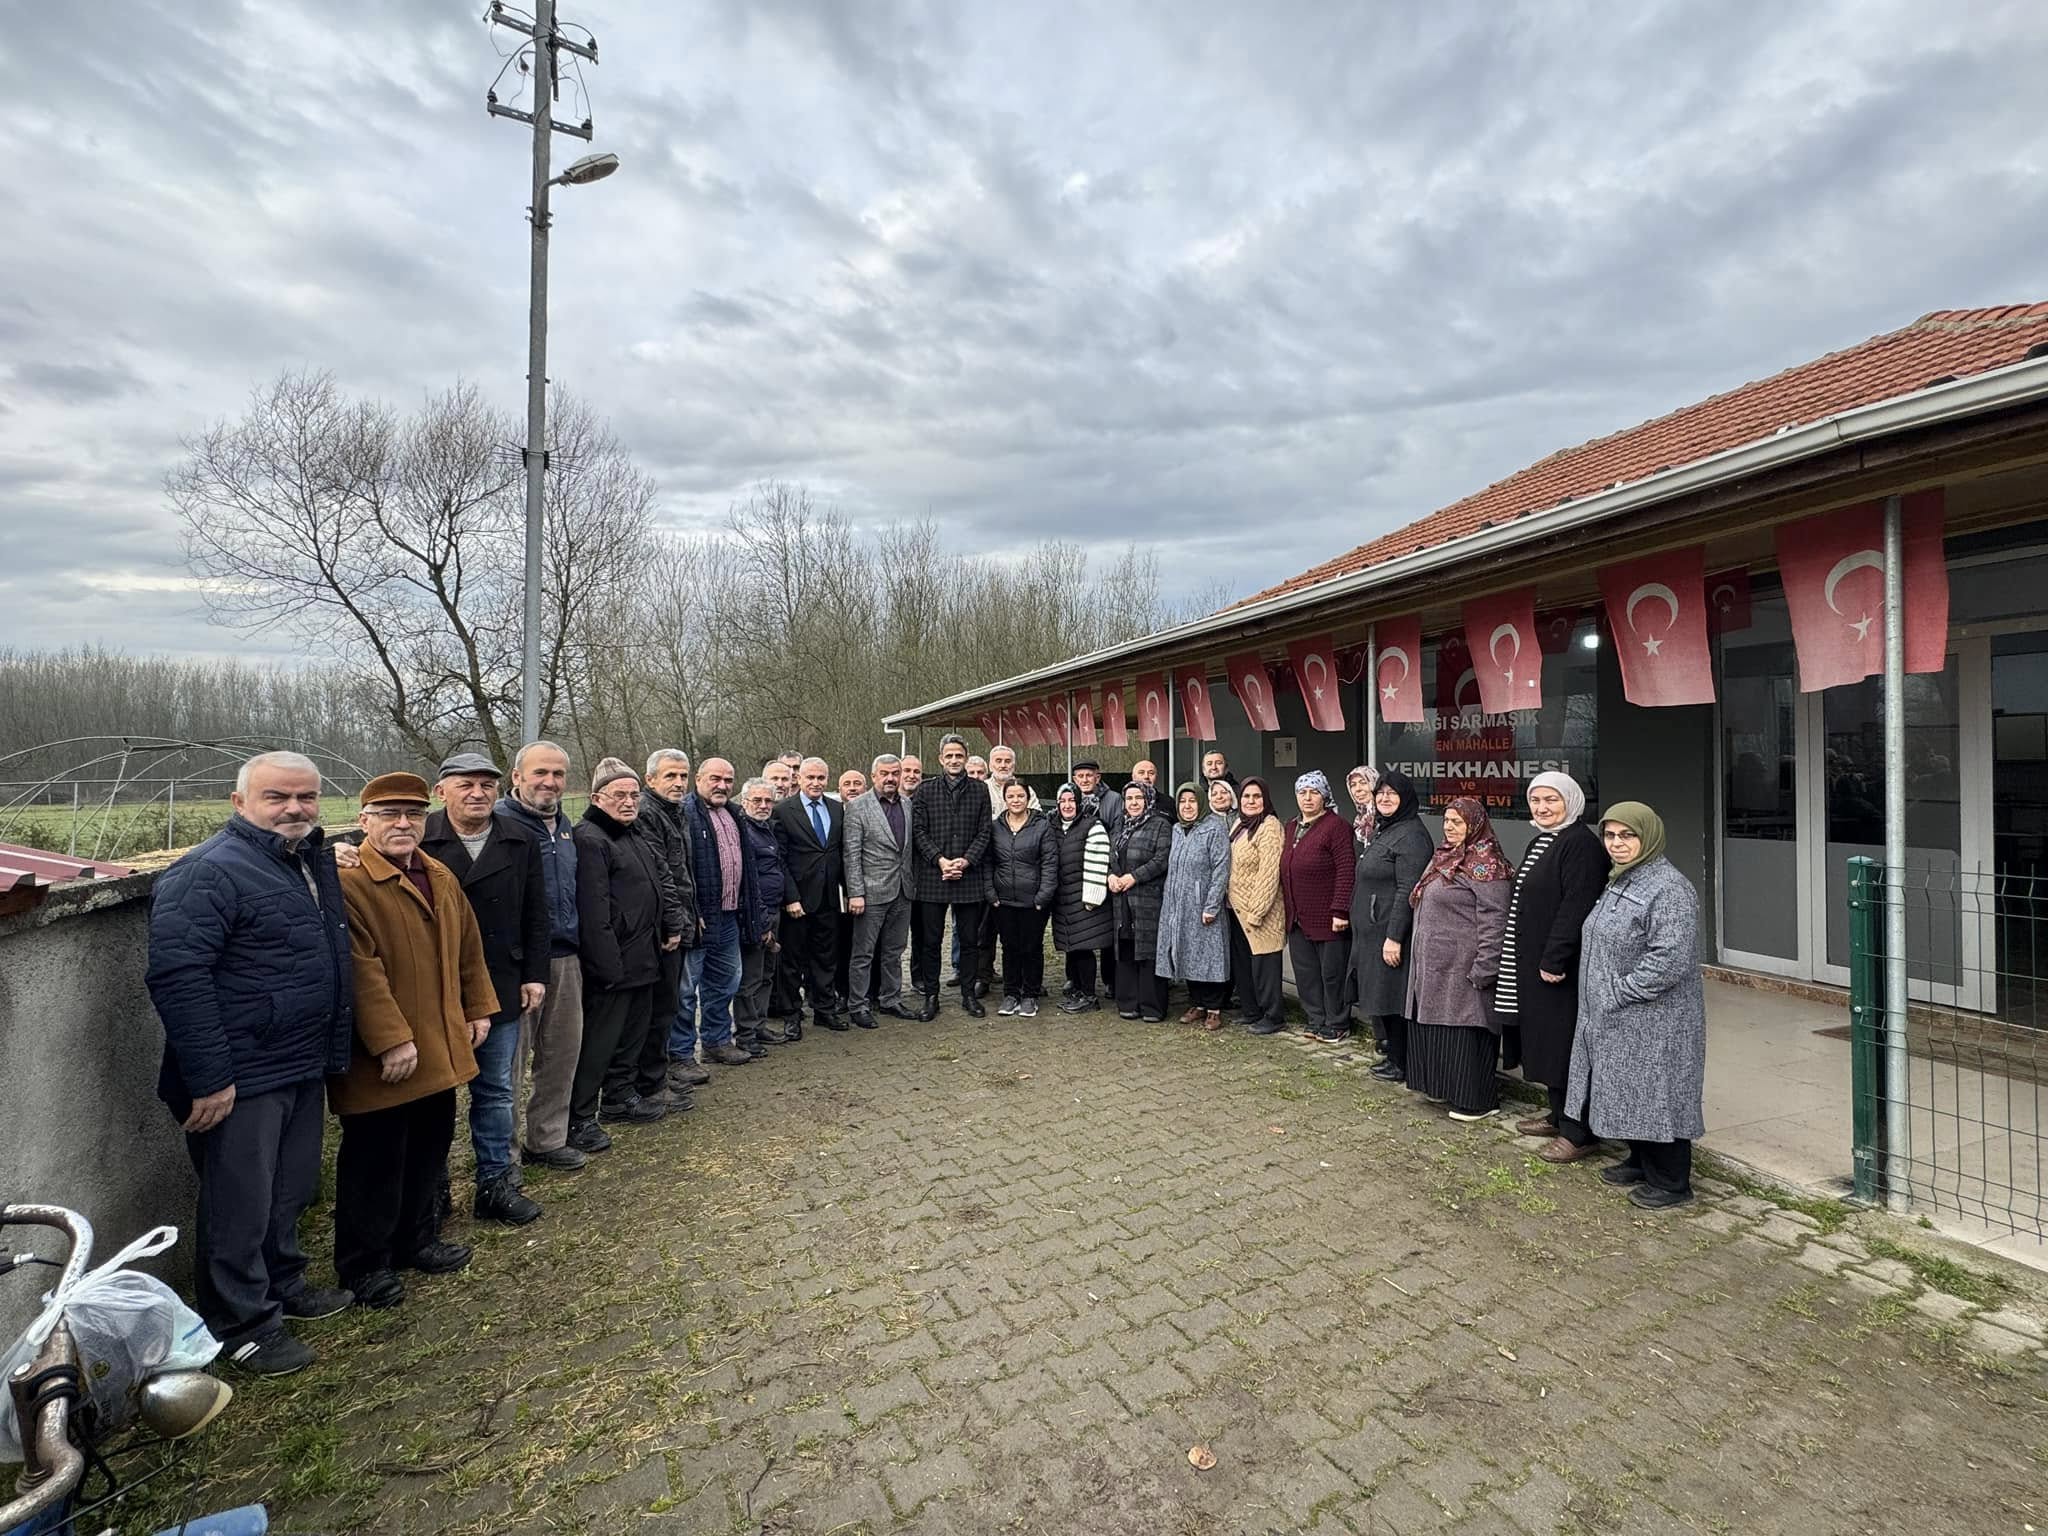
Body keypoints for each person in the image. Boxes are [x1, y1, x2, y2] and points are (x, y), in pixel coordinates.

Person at [145, 750, 354, 1376]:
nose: (294, 808)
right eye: (277, 798)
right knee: (238, 1202)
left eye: (306, 797)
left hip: (297, 1060)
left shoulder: (304, 863)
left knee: (286, 1190)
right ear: (240, 804)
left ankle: (283, 1286)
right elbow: (179, 976)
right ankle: (240, 1323)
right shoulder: (207, 872)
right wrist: (210, 1078)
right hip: (241, 1074)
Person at [332, 772, 497, 1310]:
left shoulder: (439, 874)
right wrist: (390, 1041)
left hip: (440, 1044)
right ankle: (365, 1264)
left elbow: (469, 948)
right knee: (376, 1158)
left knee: (429, 1147)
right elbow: (360, 970)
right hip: (389, 1055)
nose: (402, 824)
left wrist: (477, 1009)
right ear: (364, 823)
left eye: (411, 814)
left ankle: (416, 1239)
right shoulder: (349, 882)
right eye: (388, 815)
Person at [420, 752, 549, 1227]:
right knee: (431, 1096)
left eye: (486, 785)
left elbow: (537, 912)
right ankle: (429, 1193)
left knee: (496, 1091)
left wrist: (535, 973)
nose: (477, 793)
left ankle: (495, 1182)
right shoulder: (419, 836)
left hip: (499, 984)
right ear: (442, 791)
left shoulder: (519, 839)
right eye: (465, 785)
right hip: (433, 987)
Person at [1563, 803, 1707, 1209]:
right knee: (1628, 1091)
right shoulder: (1622, 879)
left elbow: (1670, 959)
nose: (1617, 844)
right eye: (1610, 836)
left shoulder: (1668, 888)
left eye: (1627, 836)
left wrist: (1620, 991)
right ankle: (1641, 1160)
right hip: (1617, 1014)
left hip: (1654, 1016)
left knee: (1659, 1092)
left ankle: (1672, 1181)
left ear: (1648, 837)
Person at [1494, 774, 1608, 1154]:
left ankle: (1580, 1133)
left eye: (1551, 800)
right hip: (1534, 962)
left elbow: (1576, 905)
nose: (1542, 808)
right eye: (1536, 800)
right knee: (1544, 1042)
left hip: (1559, 966)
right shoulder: (1543, 839)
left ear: (1571, 802)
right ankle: (1558, 1114)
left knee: (1563, 1047)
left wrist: (1555, 956)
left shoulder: (1579, 845)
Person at [569, 760, 680, 1148]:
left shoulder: (630, 834)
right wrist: (608, 966)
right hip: (614, 963)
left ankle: (620, 1096)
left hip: (644, 955)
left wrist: (669, 925)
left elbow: (656, 883)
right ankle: (581, 1116)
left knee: (633, 1034)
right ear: (598, 798)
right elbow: (594, 910)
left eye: (634, 795)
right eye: (620, 795)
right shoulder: (591, 837)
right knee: (600, 1041)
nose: (629, 802)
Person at [495, 742, 587, 1172]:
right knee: (510, 1064)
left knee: (561, 1052)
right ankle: (503, 1158)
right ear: (517, 777)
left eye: (557, 774)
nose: (549, 782)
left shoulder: (565, 827)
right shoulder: (497, 823)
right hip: (515, 962)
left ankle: (547, 1138)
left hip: (565, 955)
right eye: (539, 773)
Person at [1404, 797, 1513, 1121]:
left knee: (1465, 1029)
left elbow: (1496, 918)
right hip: (1435, 964)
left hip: (1464, 968)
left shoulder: (1488, 865)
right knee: (1440, 1030)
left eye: (1457, 822)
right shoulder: (1446, 857)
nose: (1450, 828)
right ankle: (1445, 1088)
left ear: (1475, 824)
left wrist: (1485, 966)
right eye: (1447, 821)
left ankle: (1476, 1100)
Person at [1348, 769, 1433, 1083]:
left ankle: (1402, 1061)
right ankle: (1393, 1056)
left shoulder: (1411, 835)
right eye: (1380, 793)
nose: (1384, 798)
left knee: (1393, 998)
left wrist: (1394, 936)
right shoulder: (1388, 828)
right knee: (1381, 995)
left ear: (1405, 798)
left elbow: (1407, 889)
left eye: (1391, 794)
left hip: (1390, 932)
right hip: (1373, 929)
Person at [678, 758, 757, 1067]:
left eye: (728, 780)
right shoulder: (686, 813)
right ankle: (681, 1055)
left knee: (725, 982)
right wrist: (690, 911)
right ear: (698, 779)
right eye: (715, 778)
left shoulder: (734, 814)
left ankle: (716, 1041)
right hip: (699, 918)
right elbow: (681, 869)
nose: (722, 785)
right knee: (686, 991)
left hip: (729, 916)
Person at [635, 749, 703, 1104]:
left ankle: (656, 1076)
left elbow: (683, 871)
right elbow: (661, 876)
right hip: (664, 930)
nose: (679, 783)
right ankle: (649, 1084)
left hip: (681, 919)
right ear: (650, 779)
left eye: (683, 776)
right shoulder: (647, 813)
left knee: (668, 1004)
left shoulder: (675, 812)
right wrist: (675, 924)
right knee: (659, 1008)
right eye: (670, 776)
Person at [911, 734, 994, 1019]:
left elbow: (985, 831)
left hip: (968, 876)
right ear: (940, 759)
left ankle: (968, 994)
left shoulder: (980, 790)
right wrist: (941, 860)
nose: (954, 760)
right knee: (930, 941)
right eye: (949, 756)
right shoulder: (925, 790)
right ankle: (931, 996)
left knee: (970, 940)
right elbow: (919, 832)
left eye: (959, 755)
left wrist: (967, 860)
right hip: (934, 876)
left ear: (966, 757)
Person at [1280, 771, 1355, 1042]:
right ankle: (1316, 1019)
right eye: (1303, 793)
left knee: (1332, 974)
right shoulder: (1291, 826)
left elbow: (1346, 869)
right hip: (1298, 916)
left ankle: (1337, 1022)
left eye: (1314, 792)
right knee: (1306, 973)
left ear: (1324, 796)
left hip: (1328, 915)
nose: (1308, 798)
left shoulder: (1337, 826)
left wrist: (1340, 910)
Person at [773, 756, 847, 1032]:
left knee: (826, 958)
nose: (816, 783)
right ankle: (792, 1014)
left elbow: (841, 853)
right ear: (799, 779)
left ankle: (824, 1010)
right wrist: (790, 897)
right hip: (798, 901)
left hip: (829, 898)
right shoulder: (783, 811)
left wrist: (847, 892)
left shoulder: (837, 809)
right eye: (810, 778)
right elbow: (779, 858)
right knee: (792, 961)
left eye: (821, 778)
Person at [844, 752, 916, 1028]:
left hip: (902, 890)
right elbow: (851, 854)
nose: (890, 778)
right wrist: (856, 893)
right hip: (870, 893)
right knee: (863, 953)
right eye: (884, 774)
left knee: (894, 950)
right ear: (873, 776)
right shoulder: (858, 807)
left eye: (894, 773)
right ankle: (858, 1004)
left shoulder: (908, 804)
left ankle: (890, 998)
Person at [1157, 783, 1231, 1030]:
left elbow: (1221, 869)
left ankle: (1214, 1008)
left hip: (1203, 904)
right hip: (1179, 905)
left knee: (1209, 955)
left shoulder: (1214, 829)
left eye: (1192, 801)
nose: (1187, 806)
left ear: (1201, 802)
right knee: (1187, 952)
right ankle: (1197, 1003)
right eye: (1182, 802)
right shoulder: (1177, 829)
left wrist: (1211, 905)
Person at [988, 778, 1058, 1015]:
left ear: (1028, 799)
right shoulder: (995, 827)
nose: (1016, 800)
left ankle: (1030, 994)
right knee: (1009, 948)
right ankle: (1010, 993)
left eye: (1020, 796)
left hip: (1033, 901)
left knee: (1031, 948)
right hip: (1003, 900)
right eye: (1011, 796)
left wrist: (1042, 897)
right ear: (1005, 799)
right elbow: (988, 862)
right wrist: (991, 894)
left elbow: (1050, 862)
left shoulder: (1042, 826)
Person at [1226, 776, 1287, 1036]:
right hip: (1235, 909)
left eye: (1256, 796)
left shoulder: (1270, 827)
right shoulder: (1239, 824)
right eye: (1246, 797)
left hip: (1260, 910)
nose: (1251, 801)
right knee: (1243, 963)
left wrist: (1258, 910)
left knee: (1265, 964)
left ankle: (1273, 1016)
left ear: (1265, 799)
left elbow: (1269, 872)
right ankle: (1251, 1011)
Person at [1107, 782, 1173, 1021]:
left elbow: (1162, 859)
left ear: (1148, 800)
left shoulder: (1160, 825)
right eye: (1129, 798)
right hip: (1121, 899)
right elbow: (1111, 858)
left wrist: (1134, 877)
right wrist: (1111, 876)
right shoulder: (1120, 826)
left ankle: (1152, 1006)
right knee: (1125, 948)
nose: (1133, 803)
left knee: (1148, 952)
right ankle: (1128, 1002)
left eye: (1138, 798)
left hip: (1148, 899)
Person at [734, 777, 790, 1047]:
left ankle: (759, 1024)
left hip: (774, 908)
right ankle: (745, 1034)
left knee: (767, 973)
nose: (763, 805)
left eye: (768, 800)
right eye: (757, 800)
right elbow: (747, 879)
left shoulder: (767, 828)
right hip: (755, 914)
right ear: (744, 802)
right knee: (751, 976)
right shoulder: (742, 831)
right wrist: (760, 920)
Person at [1049, 782, 1113, 1012]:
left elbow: (1099, 860)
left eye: (1071, 801)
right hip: (1063, 899)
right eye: (1063, 801)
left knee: (1084, 948)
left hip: (1085, 899)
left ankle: (1089, 996)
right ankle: (1076, 989)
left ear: (1078, 803)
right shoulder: (1053, 826)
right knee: (1071, 948)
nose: (1067, 805)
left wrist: (1092, 898)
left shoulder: (1092, 826)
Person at [1207, 779, 1241, 1014]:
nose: (1219, 796)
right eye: (1215, 793)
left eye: (1224, 792)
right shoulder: (1205, 823)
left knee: (1237, 946)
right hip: (1214, 892)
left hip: (1238, 893)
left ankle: (1237, 991)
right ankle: (1217, 995)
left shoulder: (1242, 820)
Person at [1071, 759, 1122, 835]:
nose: (1085, 780)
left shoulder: (1115, 799)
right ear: (1075, 779)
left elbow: (1117, 830)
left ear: (1097, 778)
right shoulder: (1069, 800)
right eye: (1080, 776)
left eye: (1089, 775)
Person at [1346, 765, 1379, 851]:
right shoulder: (1359, 821)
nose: (1358, 789)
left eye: (1363, 783)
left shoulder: (1385, 818)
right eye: (1353, 785)